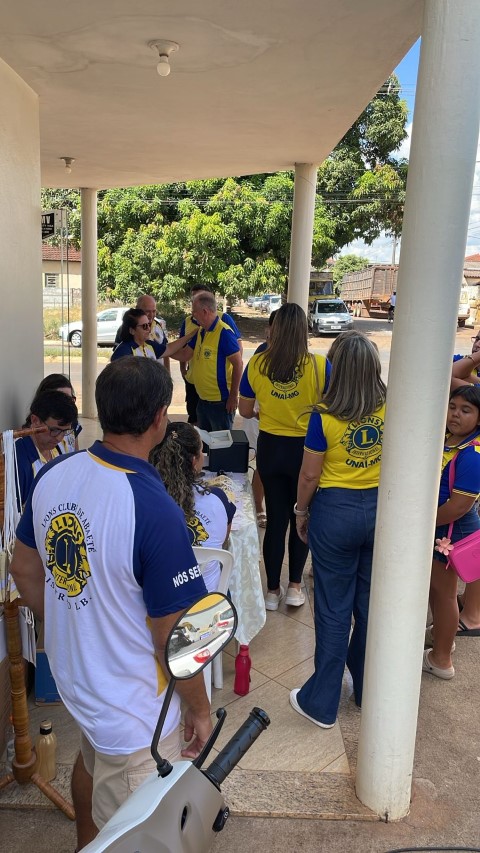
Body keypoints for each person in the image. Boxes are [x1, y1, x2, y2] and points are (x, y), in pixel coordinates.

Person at [10, 357, 211, 849]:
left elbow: (23, 568)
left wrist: (69, 624)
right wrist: (200, 709)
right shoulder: (154, 508)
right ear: (159, 419)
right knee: (140, 826)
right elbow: (175, 637)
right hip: (135, 711)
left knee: (93, 761)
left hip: (83, 685)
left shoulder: (55, 473)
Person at [291, 332, 386, 727]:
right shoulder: (390, 407)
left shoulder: (324, 416)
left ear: (337, 368)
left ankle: (322, 702)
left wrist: (300, 512)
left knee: (333, 608)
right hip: (380, 512)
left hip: (335, 513)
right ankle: (367, 690)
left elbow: (309, 476)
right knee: (369, 605)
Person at [239, 303, 330, 610]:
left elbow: (245, 410)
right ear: (304, 331)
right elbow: (333, 409)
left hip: (270, 448)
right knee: (300, 517)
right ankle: (294, 587)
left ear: (274, 330)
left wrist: (266, 411)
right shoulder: (320, 365)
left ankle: (271, 592)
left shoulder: (258, 363)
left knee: (276, 520)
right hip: (307, 452)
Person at [423, 385, 480, 679]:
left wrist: (421, 524)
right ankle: (441, 639)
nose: (456, 414)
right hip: (439, 529)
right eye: (452, 407)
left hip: (449, 533)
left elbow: (459, 506)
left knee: (445, 595)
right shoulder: (450, 439)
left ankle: (441, 659)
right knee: (436, 591)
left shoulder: (473, 455)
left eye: (466, 410)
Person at [150, 421, 236, 591]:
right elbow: (222, 541)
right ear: (194, 461)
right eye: (201, 451)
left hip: (161, 596)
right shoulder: (217, 498)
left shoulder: (146, 500)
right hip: (207, 599)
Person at [179, 284, 242, 425]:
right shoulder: (201, 331)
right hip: (202, 401)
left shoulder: (224, 332)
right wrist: (161, 350)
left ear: (205, 311)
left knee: (220, 439)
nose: (193, 315)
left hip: (220, 403)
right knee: (202, 437)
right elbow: (184, 354)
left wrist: (233, 396)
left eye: (195, 311)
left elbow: (238, 364)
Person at [243, 310, 278, 527]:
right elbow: (246, 404)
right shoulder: (262, 353)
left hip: (283, 426)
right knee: (262, 466)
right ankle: (258, 506)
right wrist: (261, 413)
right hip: (259, 419)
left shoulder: (299, 355)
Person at [15, 390, 78, 505]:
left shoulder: (59, 448)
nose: (59, 438)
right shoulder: (18, 461)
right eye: (54, 430)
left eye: (65, 431)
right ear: (35, 420)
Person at [111, 308, 192, 363]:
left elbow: (169, 348)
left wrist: (191, 335)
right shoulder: (123, 352)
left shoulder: (149, 344)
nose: (149, 329)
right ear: (132, 330)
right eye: (144, 326)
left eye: (149, 324)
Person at [26, 373, 81, 451]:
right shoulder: (28, 439)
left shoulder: (72, 424)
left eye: (69, 399)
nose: (59, 438)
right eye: (59, 398)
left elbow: (75, 453)